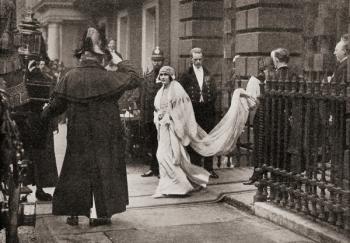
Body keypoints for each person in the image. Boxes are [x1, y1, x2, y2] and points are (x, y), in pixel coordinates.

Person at [41, 27, 142, 226]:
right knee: (104, 171)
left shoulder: (70, 77)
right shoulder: (109, 77)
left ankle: (74, 213)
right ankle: (101, 215)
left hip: (78, 135)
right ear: (101, 57)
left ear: (81, 56)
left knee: (75, 170)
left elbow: (55, 107)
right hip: (106, 134)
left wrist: (44, 113)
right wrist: (118, 59)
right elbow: (136, 77)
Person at [153, 66, 258, 198]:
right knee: (162, 155)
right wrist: (159, 117)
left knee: (169, 155)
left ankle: (177, 186)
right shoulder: (161, 91)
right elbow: (157, 109)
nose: (163, 77)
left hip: (173, 128)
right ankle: (168, 185)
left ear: (170, 76)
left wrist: (170, 117)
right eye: (161, 75)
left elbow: (184, 109)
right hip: (162, 128)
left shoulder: (176, 89)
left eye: (165, 75)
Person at [179, 47, 218, 179]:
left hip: (207, 111)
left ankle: (209, 168)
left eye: (200, 59)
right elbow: (181, 93)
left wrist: (209, 102)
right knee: (194, 137)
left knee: (208, 138)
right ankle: (195, 168)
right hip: (193, 111)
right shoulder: (186, 75)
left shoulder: (208, 73)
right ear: (191, 59)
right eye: (195, 59)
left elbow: (214, 91)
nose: (198, 62)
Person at [140, 46, 164, 178]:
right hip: (150, 116)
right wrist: (143, 117)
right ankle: (152, 168)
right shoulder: (147, 77)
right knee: (152, 142)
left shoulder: (167, 77)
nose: (157, 63)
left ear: (163, 61)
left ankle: (161, 169)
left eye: (159, 60)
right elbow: (143, 98)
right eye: (155, 60)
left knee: (162, 143)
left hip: (162, 117)